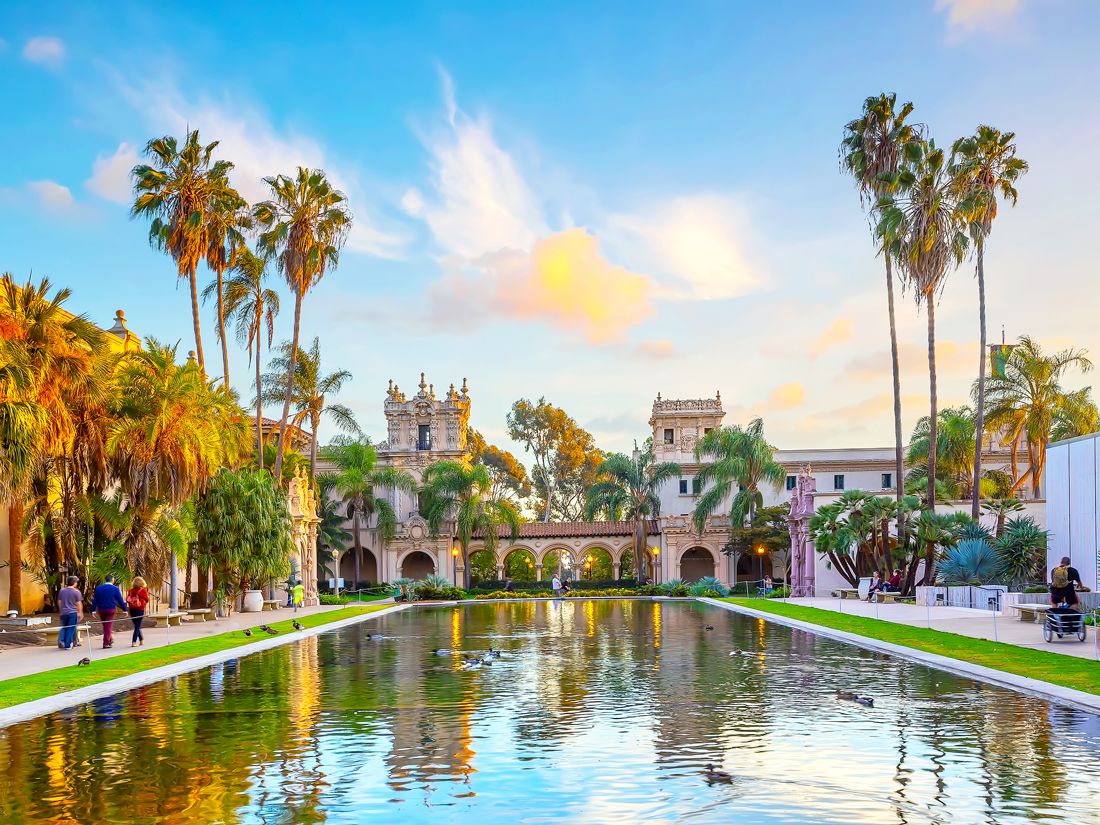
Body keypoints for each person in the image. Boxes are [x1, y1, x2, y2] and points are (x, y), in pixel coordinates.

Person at [91, 574, 128, 649]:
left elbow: (95, 600)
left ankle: (110, 639)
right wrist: (125, 609)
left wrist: (93, 610)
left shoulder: (99, 588)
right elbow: (120, 600)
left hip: (101, 609)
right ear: (112, 580)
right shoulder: (115, 589)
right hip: (111, 609)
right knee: (107, 626)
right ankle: (106, 643)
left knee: (106, 625)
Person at [57, 576, 83, 650]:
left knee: (64, 627)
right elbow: (79, 603)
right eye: (76, 582)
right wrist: (80, 613)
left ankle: (61, 640)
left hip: (64, 613)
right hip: (72, 613)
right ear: (74, 583)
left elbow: (59, 601)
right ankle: (67, 645)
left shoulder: (62, 591)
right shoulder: (76, 592)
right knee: (71, 628)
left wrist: (61, 610)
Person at [126, 577, 150, 647]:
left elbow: (127, 599)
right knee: (137, 626)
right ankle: (134, 642)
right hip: (140, 609)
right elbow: (147, 599)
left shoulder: (130, 590)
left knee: (136, 625)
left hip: (132, 609)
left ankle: (141, 640)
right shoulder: (143, 590)